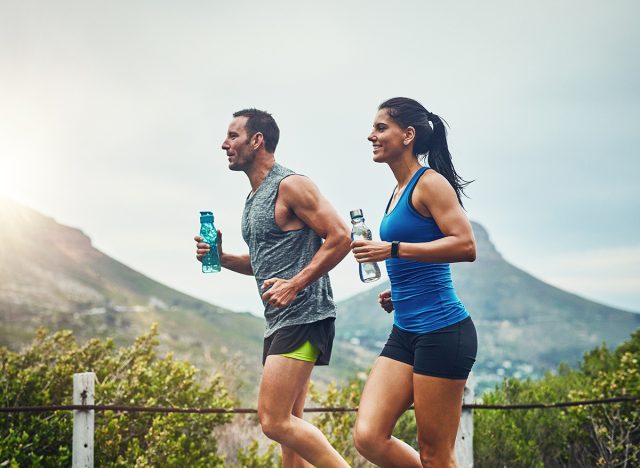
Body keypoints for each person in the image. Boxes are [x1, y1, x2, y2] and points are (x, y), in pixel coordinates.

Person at [195, 108, 351, 468]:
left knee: (274, 420)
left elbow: (340, 237)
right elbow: (263, 262)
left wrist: (296, 284)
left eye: (233, 136)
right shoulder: (254, 198)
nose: (224, 144)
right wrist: (223, 257)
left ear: (257, 140)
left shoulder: (291, 185)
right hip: (280, 319)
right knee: (289, 434)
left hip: (304, 315)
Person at [350, 97, 478, 467]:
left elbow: (465, 245)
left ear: (408, 135)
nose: (370, 136)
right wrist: (400, 289)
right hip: (405, 329)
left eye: (380, 128)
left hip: (443, 332)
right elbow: (422, 250)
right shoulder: (397, 190)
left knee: (436, 455)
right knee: (369, 436)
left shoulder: (430, 183)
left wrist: (391, 249)